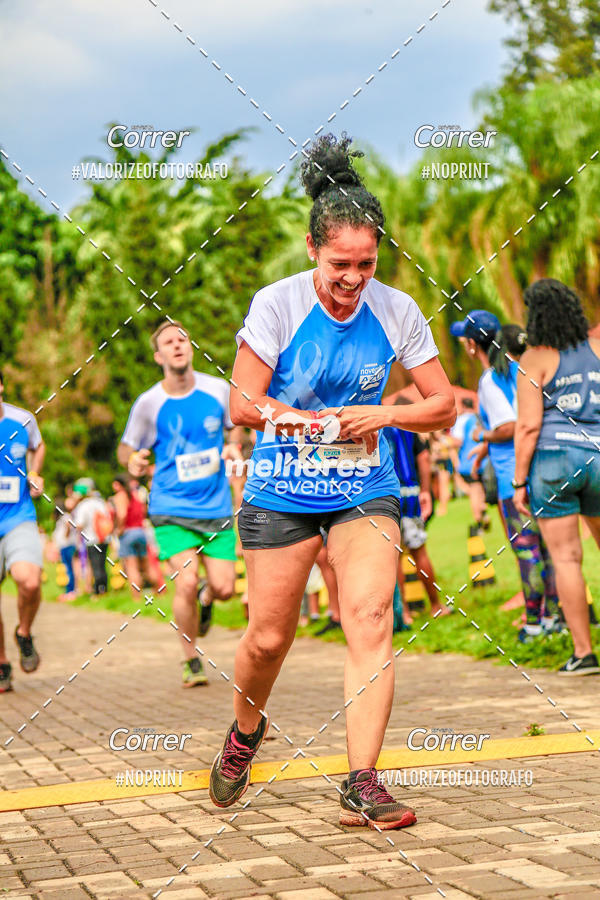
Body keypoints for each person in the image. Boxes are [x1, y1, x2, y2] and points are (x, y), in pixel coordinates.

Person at [209, 134, 456, 829]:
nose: (353, 278)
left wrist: (383, 412)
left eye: (367, 263)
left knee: (371, 619)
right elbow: (242, 402)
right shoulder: (279, 304)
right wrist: (309, 423)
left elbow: (442, 405)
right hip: (281, 491)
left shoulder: (397, 310)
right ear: (314, 247)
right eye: (341, 263)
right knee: (267, 638)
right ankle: (245, 732)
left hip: (363, 488)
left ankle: (363, 782)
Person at [119, 321, 240, 687]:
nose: (177, 346)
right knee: (184, 582)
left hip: (216, 507)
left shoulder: (218, 389)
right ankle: (191, 659)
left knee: (225, 590)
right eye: (169, 342)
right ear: (159, 356)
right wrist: (133, 462)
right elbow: (127, 445)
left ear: (191, 347)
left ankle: (207, 597)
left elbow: (236, 424)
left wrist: (234, 444)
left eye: (183, 339)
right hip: (171, 507)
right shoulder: (149, 403)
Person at [451, 312, 560, 642]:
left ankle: (533, 623)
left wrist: (482, 437)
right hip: (541, 470)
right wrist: (485, 449)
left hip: (513, 479)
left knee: (527, 551)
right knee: (548, 549)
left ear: (473, 345)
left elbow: (510, 426)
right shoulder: (519, 369)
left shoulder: (489, 379)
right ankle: (557, 618)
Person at [513, 279, 600, 674]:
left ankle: (583, 654)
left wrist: (518, 482)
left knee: (566, 560)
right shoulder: (597, 348)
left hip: (553, 461)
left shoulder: (534, 359)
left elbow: (528, 426)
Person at [382, 399, 448, 620]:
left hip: (383, 494)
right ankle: (437, 605)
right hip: (410, 494)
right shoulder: (408, 424)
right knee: (419, 551)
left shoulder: (375, 421)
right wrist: (426, 491)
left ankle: (405, 613)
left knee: (394, 556)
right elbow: (424, 457)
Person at [0, 371, 45, 693]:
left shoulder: (23, 420)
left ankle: (24, 633)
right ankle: (2, 662)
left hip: (18, 515)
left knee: (29, 580)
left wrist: (35, 473)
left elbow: (38, 446)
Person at [110, 473, 156, 599]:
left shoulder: (121, 496)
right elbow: (143, 511)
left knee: (132, 567)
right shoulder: (136, 495)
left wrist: (119, 528)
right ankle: (159, 592)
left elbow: (122, 514)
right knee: (147, 566)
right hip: (140, 531)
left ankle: (136, 597)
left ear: (119, 484)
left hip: (128, 532)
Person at [451, 397, 489, 530]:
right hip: (484, 460)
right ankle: (483, 510)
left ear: (462, 405)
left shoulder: (462, 420)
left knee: (474, 490)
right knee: (480, 488)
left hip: (468, 461)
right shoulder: (479, 417)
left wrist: (444, 441)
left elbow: (458, 441)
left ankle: (478, 521)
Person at [72, 479, 112, 596]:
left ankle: (98, 591)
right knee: (102, 564)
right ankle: (104, 589)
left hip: (92, 539)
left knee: (95, 565)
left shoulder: (83, 505)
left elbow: (79, 524)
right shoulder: (100, 502)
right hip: (104, 538)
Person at [53, 498, 78, 602]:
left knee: (69, 569)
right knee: (67, 569)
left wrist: (66, 536)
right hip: (64, 546)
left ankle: (71, 591)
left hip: (67, 545)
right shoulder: (63, 517)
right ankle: (69, 590)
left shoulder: (65, 516)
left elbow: (69, 526)